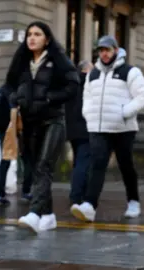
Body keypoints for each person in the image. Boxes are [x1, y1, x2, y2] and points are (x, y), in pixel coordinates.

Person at [3, 21, 79, 232]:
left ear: (47, 39)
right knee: (36, 168)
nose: (32, 38)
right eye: (29, 34)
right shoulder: (21, 60)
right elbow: (8, 84)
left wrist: (51, 98)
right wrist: (13, 97)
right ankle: (48, 215)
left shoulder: (57, 59)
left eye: (37, 34)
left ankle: (35, 213)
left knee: (44, 165)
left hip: (53, 120)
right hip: (28, 123)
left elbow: (73, 85)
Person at [71, 35, 144, 222]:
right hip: (99, 128)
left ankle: (133, 201)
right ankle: (90, 205)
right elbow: (87, 97)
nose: (104, 54)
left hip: (123, 129)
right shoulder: (93, 74)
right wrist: (88, 114)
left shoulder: (130, 71)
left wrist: (125, 112)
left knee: (126, 165)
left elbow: (143, 95)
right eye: (101, 50)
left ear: (116, 50)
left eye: (108, 50)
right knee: (97, 165)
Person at [65, 60, 93, 206]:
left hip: (71, 129)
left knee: (78, 162)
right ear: (86, 70)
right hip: (85, 128)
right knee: (83, 162)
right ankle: (76, 195)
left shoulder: (71, 84)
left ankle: (79, 192)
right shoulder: (90, 84)